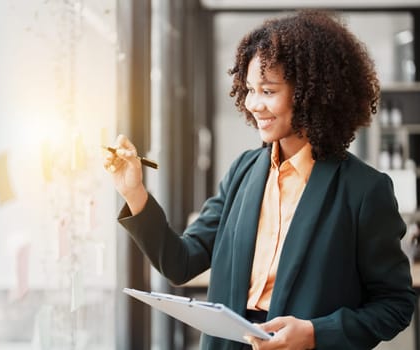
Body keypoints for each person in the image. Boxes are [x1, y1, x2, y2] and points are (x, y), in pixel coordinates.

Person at [103, 10, 416, 350]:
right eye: (250, 89)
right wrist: (134, 191)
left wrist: (315, 333)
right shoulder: (244, 171)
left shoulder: (363, 190)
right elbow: (180, 262)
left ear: (313, 93)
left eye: (268, 91)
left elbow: (395, 304)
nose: (253, 104)